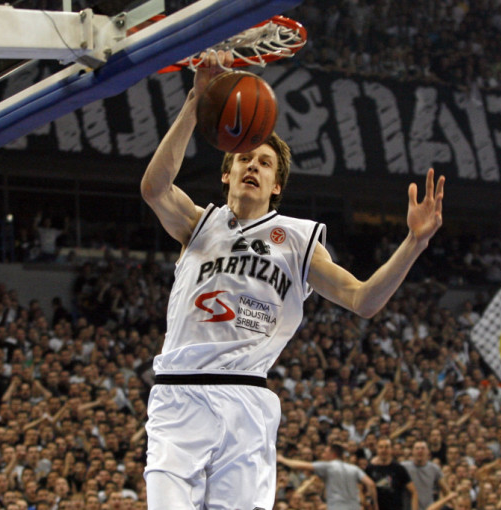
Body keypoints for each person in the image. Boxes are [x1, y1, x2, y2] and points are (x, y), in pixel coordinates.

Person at [140, 50, 445, 509]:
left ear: (277, 185)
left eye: (264, 163)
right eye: (244, 159)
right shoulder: (199, 224)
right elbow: (154, 188)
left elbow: (363, 299)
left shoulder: (298, 240)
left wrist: (414, 243)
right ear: (227, 173)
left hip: (247, 400)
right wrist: (195, 102)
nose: (253, 167)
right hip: (179, 394)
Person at [278, 443, 378, 510]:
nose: (323, 455)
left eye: (325, 452)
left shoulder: (328, 466)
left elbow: (300, 465)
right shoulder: (354, 468)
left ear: (332, 454)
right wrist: (375, 505)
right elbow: (371, 484)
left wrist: (283, 459)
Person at [367, 438, 418, 510]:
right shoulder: (370, 468)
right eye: (381, 447)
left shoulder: (399, 468)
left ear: (391, 449)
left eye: (387, 447)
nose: (384, 450)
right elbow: (361, 489)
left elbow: (413, 492)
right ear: (377, 449)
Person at [401, 441, 449, 510]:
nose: (420, 451)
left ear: (428, 451)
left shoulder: (434, 468)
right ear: (412, 452)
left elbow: (446, 491)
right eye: (417, 448)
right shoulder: (403, 467)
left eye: (423, 448)